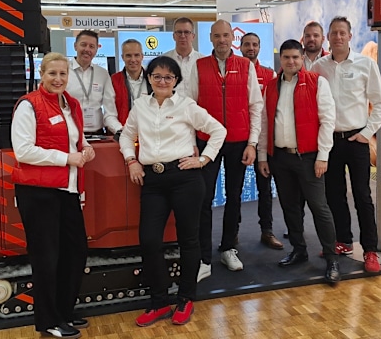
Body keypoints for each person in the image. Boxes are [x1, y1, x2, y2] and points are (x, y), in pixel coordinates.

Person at [120, 56, 225, 327]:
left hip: (185, 179)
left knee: (188, 240)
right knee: (149, 240)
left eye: (168, 77)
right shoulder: (140, 106)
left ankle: (186, 298)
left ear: (176, 80)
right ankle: (159, 302)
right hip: (152, 181)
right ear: (149, 78)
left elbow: (218, 130)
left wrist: (203, 159)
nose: (162, 81)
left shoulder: (186, 105)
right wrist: (131, 160)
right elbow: (126, 135)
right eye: (157, 76)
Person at [11, 52, 96, 338]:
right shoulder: (28, 105)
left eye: (63, 74)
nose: (58, 79)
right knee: (46, 257)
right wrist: (67, 158)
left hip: (67, 189)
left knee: (75, 251)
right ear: (42, 75)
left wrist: (86, 148)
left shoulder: (70, 104)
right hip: (38, 193)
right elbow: (23, 151)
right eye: (52, 74)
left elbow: (74, 138)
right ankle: (48, 320)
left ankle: (64, 311)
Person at [257, 40, 340, 282]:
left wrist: (323, 156)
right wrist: (263, 155)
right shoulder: (271, 87)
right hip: (280, 158)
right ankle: (299, 250)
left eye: (295, 57)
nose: (291, 61)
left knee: (319, 207)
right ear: (281, 59)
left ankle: (332, 258)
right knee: (290, 207)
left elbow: (327, 121)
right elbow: (264, 122)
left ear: (302, 58)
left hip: (309, 158)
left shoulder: (317, 82)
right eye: (286, 57)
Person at [311, 16, 381, 273]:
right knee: (334, 195)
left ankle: (370, 250)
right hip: (330, 141)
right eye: (334, 33)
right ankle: (343, 240)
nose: (338, 37)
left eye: (342, 33)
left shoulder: (365, 64)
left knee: (362, 196)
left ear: (350, 36)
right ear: (328, 37)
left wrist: (366, 133)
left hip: (356, 140)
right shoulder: (319, 67)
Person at [188, 19, 263, 279]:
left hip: (238, 141)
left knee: (234, 196)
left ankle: (228, 248)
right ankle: (203, 257)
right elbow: (190, 106)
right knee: (203, 198)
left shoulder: (245, 66)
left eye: (226, 35)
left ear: (233, 38)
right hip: (206, 141)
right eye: (217, 36)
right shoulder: (199, 66)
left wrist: (252, 143)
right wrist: (192, 143)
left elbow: (255, 106)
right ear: (210, 38)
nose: (222, 40)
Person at [238, 32, 283, 250]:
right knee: (235, 188)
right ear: (240, 47)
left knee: (265, 188)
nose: (251, 48)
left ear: (259, 47)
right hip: (239, 139)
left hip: (262, 140)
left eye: (254, 44)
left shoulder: (269, 74)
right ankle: (232, 233)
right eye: (247, 44)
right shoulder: (234, 71)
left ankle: (267, 231)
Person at [65, 29, 122, 136]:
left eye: (91, 46)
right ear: (75, 46)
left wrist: (120, 130)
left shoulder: (103, 74)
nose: (87, 49)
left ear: (96, 50)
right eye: (83, 45)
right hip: (70, 135)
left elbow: (110, 112)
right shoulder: (64, 71)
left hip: (98, 135)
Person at [111, 39, 151, 126]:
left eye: (136, 55)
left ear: (142, 56)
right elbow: (110, 112)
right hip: (122, 129)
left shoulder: (152, 79)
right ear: (122, 57)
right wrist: (120, 130)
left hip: (148, 130)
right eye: (128, 55)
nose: (133, 60)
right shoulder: (113, 80)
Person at [163, 17, 202, 97]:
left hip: (195, 104)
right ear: (174, 36)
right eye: (179, 32)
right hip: (170, 104)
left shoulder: (202, 61)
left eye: (187, 32)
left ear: (193, 36)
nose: (183, 36)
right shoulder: (163, 61)